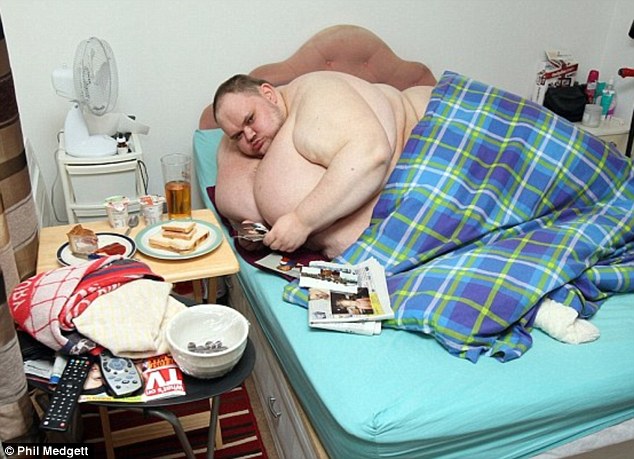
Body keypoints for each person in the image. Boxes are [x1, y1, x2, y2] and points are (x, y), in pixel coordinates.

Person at [212, 71, 432, 258]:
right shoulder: (275, 132)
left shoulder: (317, 95)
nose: (249, 135)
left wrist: (301, 221)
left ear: (269, 94)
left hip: (433, 132)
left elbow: (371, 154)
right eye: (238, 136)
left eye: (250, 119)